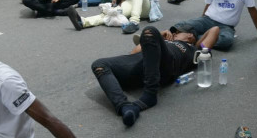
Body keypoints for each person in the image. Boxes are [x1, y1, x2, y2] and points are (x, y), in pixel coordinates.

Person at [91, 25, 219, 127]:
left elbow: (214, 29)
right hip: (140, 63)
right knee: (99, 64)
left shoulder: (195, 51)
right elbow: (134, 52)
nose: (173, 34)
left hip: (167, 65)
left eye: (177, 32)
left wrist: (196, 41)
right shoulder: (162, 41)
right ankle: (125, 107)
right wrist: (157, 37)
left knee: (149, 30)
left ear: (190, 35)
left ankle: (150, 95)